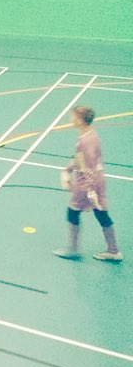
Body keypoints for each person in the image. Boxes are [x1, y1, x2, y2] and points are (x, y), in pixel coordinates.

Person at [54, 105, 122, 261]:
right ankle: (113, 250)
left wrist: (90, 191)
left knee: (73, 212)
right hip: (96, 181)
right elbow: (80, 160)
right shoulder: (90, 135)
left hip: (87, 184)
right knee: (101, 213)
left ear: (80, 120)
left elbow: (88, 166)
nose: (71, 119)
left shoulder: (86, 141)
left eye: (73, 117)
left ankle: (74, 250)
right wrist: (68, 169)